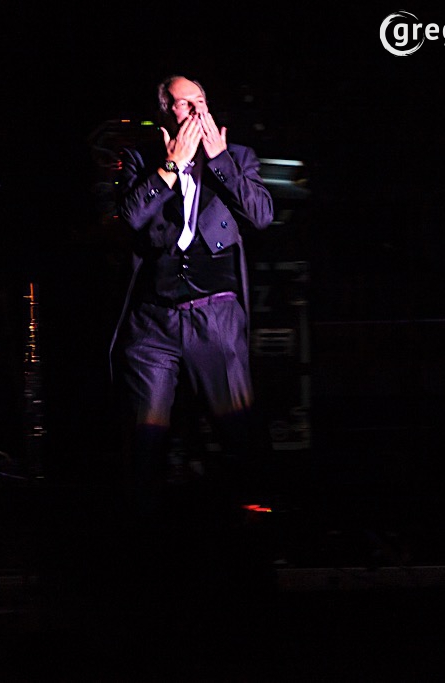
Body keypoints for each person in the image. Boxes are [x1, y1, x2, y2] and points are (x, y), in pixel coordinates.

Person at [112, 74, 275, 517]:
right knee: (146, 435)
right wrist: (170, 167)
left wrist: (220, 161)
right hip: (154, 321)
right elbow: (128, 220)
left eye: (201, 101)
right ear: (164, 112)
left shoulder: (237, 156)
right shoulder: (141, 159)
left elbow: (261, 216)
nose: (197, 111)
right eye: (185, 104)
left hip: (215, 313)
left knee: (236, 427)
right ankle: (140, 523)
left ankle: (255, 519)